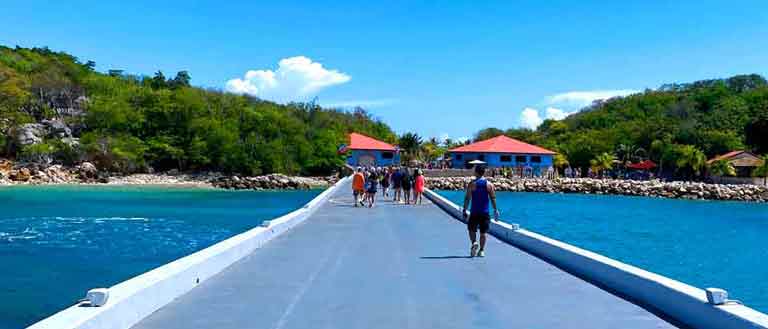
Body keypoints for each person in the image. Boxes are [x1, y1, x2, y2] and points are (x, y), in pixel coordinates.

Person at [461, 165, 499, 257]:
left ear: (476, 172)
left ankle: (474, 242)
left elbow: (467, 198)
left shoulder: (472, 184)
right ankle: (481, 250)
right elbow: (493, 198)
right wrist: (495, 210)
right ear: (484, 172)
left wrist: (465, 210)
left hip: (474, 212)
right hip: (485, 213)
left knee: (471, 229)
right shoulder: (489, 184)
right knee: (483, 232)